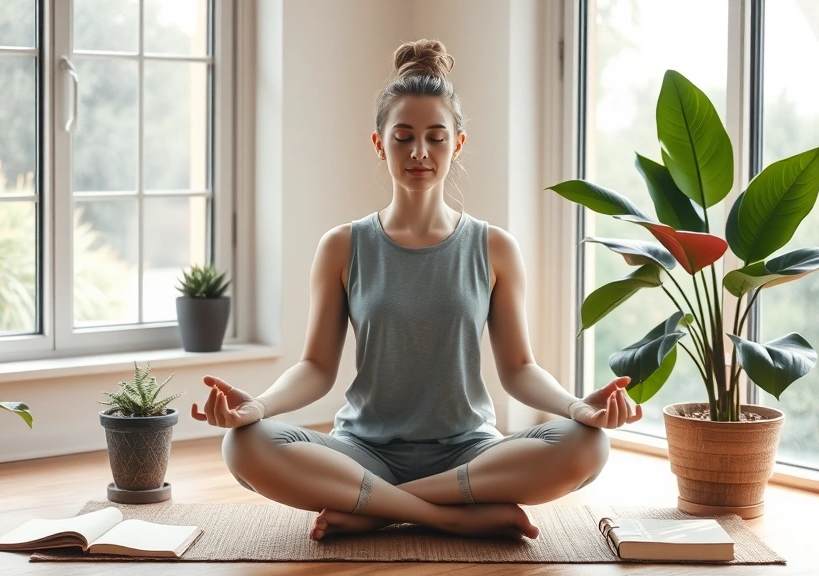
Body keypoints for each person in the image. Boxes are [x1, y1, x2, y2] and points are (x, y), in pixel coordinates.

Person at [191, 39, 642, 542]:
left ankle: (378, 509)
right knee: (243, 446)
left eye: (436, 137)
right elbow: (316, 368)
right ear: (379, 143)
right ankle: (450, 515)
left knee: (588, 447)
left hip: (468, 452)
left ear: (459, 144)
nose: (419, 152)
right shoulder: (343, 245)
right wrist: (255, 409)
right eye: (403, 137)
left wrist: (580, 408)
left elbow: (518, 370)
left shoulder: (494, 248)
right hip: (363, 452)